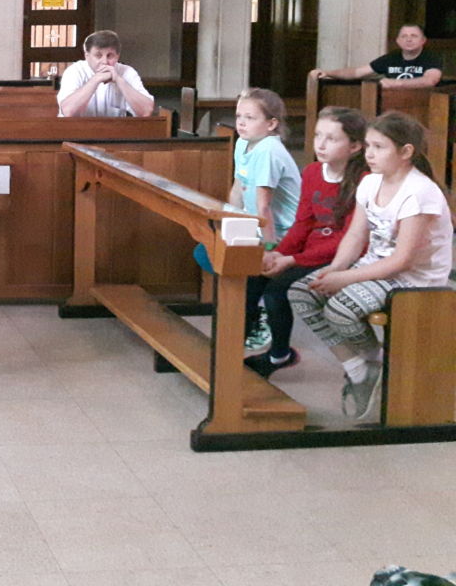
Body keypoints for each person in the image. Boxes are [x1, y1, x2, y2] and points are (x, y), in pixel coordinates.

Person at [289, 111, 453, 421]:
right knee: (302, 292)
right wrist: (336, 269)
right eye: (367, 146)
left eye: (379, 147)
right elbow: (355, 235)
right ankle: (358, 368)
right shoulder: (370, 182)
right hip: (376, 267)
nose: (369, 154)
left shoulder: (420, 192)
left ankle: (376, 362)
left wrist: (346, 279)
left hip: (413, 279)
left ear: (406, 152)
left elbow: (402, 260)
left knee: (339, 308)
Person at [243, 107, 368, 378]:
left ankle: (279, 355)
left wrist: (292, 260)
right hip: (309, 251)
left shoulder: (364, 180)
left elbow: (350, 238)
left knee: (277, 289)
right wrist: (276, 253)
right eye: (318, 136)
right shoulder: (312, 172)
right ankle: (232, 348)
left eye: (331, 139)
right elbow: (303, 223)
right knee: (252, 276)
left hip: (341, 256)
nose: (320, 144)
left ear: (355, 146)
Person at [194, 88, 301, 351]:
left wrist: (269, 249)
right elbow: (238, 188)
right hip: (255, 225)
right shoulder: (243, 143)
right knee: (205, 251)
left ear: (271, 124)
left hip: (282, 233)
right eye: (238, 116)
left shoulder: (268, 150)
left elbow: (264, 206)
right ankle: (250, 312)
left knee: (242, 266)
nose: (241, 123)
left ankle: (255, 318)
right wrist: (227, 226)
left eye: (250, 118)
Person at [310, 24, 444, 90]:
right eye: (404, 36)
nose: (408, 40)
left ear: (423, 40)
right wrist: (328, 73)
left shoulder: (431, 58)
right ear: (398, 41)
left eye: (414, 36)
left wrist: (397, 83)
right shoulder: (391, 58)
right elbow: (357, 72)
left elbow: (430, 80)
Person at [56, 30, 155, 118]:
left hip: (114, 131)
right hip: (76, 131)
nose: (104, 61)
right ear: (87, 56)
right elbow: (68, 111)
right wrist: (95, 79)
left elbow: (146, 111)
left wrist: (119, 80)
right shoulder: (74, 71)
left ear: (117, 56)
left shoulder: (127, 72)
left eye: (110, 56)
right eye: (98, 55)